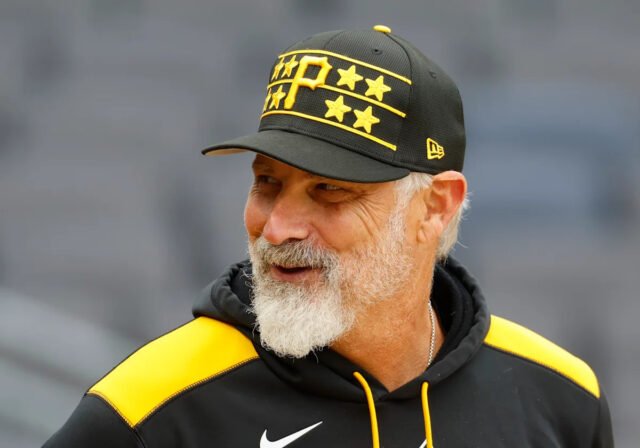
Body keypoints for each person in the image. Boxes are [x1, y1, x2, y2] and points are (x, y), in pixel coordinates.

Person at [43, 26, 614, 447]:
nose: (277, 228)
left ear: (435, 207)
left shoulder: (560, 397)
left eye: (330, 191)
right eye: (267, 183)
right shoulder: (147, 410)